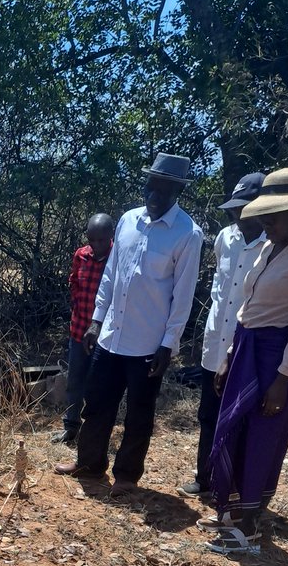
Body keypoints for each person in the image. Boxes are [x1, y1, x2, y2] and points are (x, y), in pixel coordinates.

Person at [55, 153, 204, 495]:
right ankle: (90, 464)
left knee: (139, 415)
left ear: (176, 192)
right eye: (151, 187)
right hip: (110, 337)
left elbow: (182, 296)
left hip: (148, 344)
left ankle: (126, 476)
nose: (154, 195)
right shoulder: (128, 220)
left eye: (163, 190)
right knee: (97, 404)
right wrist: (96, 320)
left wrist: (169, 344)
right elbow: (111, 276)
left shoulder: (187, 234)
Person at [208, 168, 288, 555]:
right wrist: (228, 354)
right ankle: (233, 509)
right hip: (246, 349)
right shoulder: (265, 248)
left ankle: (251, 524)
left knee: (264, 435)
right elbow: (247, 306)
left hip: (278, 358)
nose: (266, 222)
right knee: (235, 427)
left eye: (274, 215)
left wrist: (283, 378)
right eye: (265, 215)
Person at [178, 173, 265, 497]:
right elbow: (220, 292)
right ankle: (205, 478)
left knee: (240, 418)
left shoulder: (272, 247)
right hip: (215, 344)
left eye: (244, 210)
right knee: (208, 414)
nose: (237, 217)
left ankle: (233, 486)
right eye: (234, 211)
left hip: (245, 349)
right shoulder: (225, 238)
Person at [54, 213, 114, 446]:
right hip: (79, 329)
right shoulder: (81, 255)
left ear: (111, 236)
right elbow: (74, 283)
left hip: (106, 336)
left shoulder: (117, 258)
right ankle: (71, 427)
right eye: (92, 240)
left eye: (101, 240)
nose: (96, 245)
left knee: (98, 386)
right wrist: (77, 308)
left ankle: (94, 434)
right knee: (75, 381)